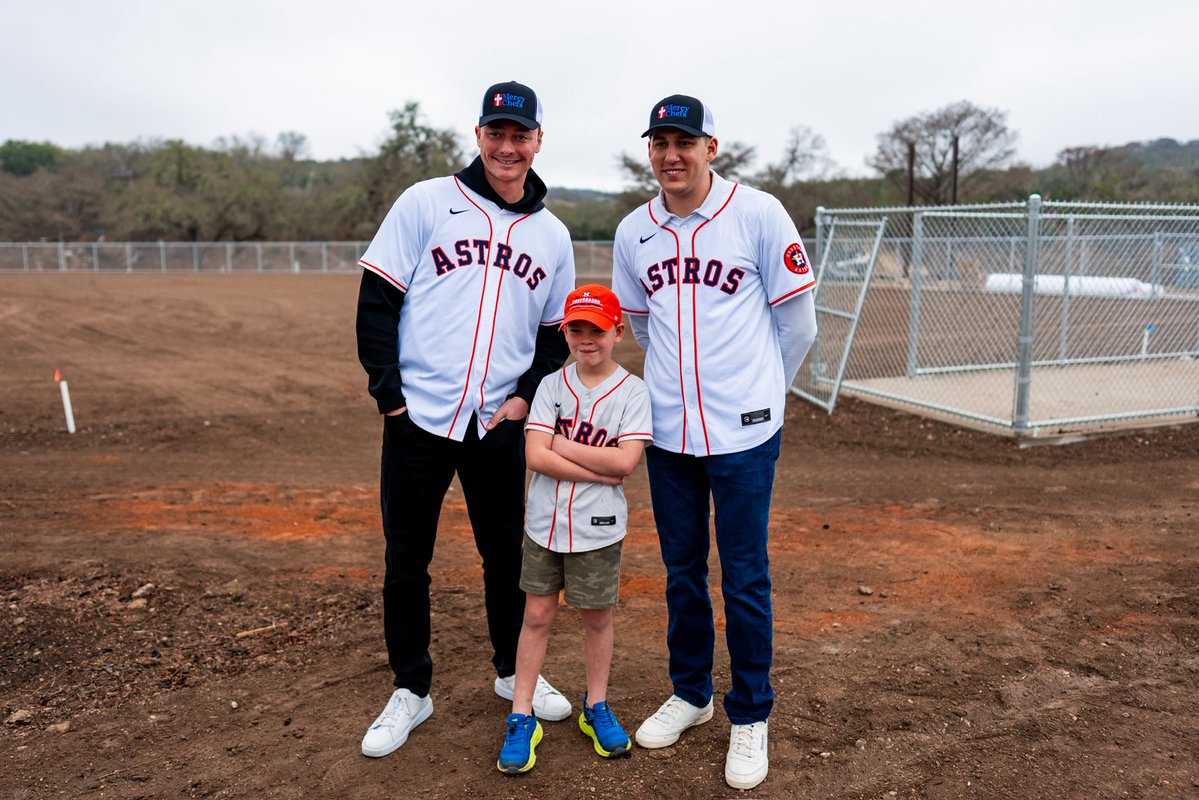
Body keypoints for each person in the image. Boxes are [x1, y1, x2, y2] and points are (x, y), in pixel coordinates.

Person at [355, 80, 577, 758]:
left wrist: (522, 401)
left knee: (507, 554)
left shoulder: (551, 235)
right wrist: (389, 396)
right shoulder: (427, 202)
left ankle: (514, 674)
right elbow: (377, 303)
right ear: (479, 135)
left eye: (520, 134)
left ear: (537, 141)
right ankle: (411, 689)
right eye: (496, 132)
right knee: (407, 557)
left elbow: (552, 337)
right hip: (418, 416)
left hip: (496, 424)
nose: (507, 146)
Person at [610, 94, 818, 791]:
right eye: (660, 142)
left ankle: (750, 713)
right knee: (680, 571)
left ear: (711, 148)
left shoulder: (756, 214)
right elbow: (641, 327)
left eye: (684, 142)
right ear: (650, 152)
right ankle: (693, 694)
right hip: (668, 433)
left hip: (743, 433)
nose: (672, 154)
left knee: (745, 574)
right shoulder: (634, 231)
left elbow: (798, 325)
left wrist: (761, 393)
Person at [496, 284, 653, 774]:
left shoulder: (632, 391)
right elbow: (534, 454)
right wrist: (599, 469)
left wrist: (564, 449)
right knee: (537, 615)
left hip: (599, 528)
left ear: (617, 331)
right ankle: (522, 715)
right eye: (576, 329)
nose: (587, 340)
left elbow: (626, 461)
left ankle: (597, 705)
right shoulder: (550, 385)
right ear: (565, 332)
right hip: (544, 523)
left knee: (596, 618)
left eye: (597, 330)